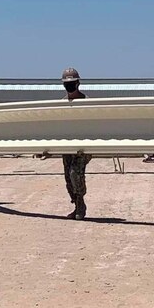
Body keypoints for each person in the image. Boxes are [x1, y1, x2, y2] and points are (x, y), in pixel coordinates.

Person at [60, 67, 90, 220]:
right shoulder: (61, 104)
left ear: (78, 83)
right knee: (68, 178)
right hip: (67, 146)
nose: (69, 86)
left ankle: (80, 205)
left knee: (75, 173)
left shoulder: (87, 102)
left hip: (83, 147)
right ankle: (77, 203)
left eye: (72, 83)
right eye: (67, 83)